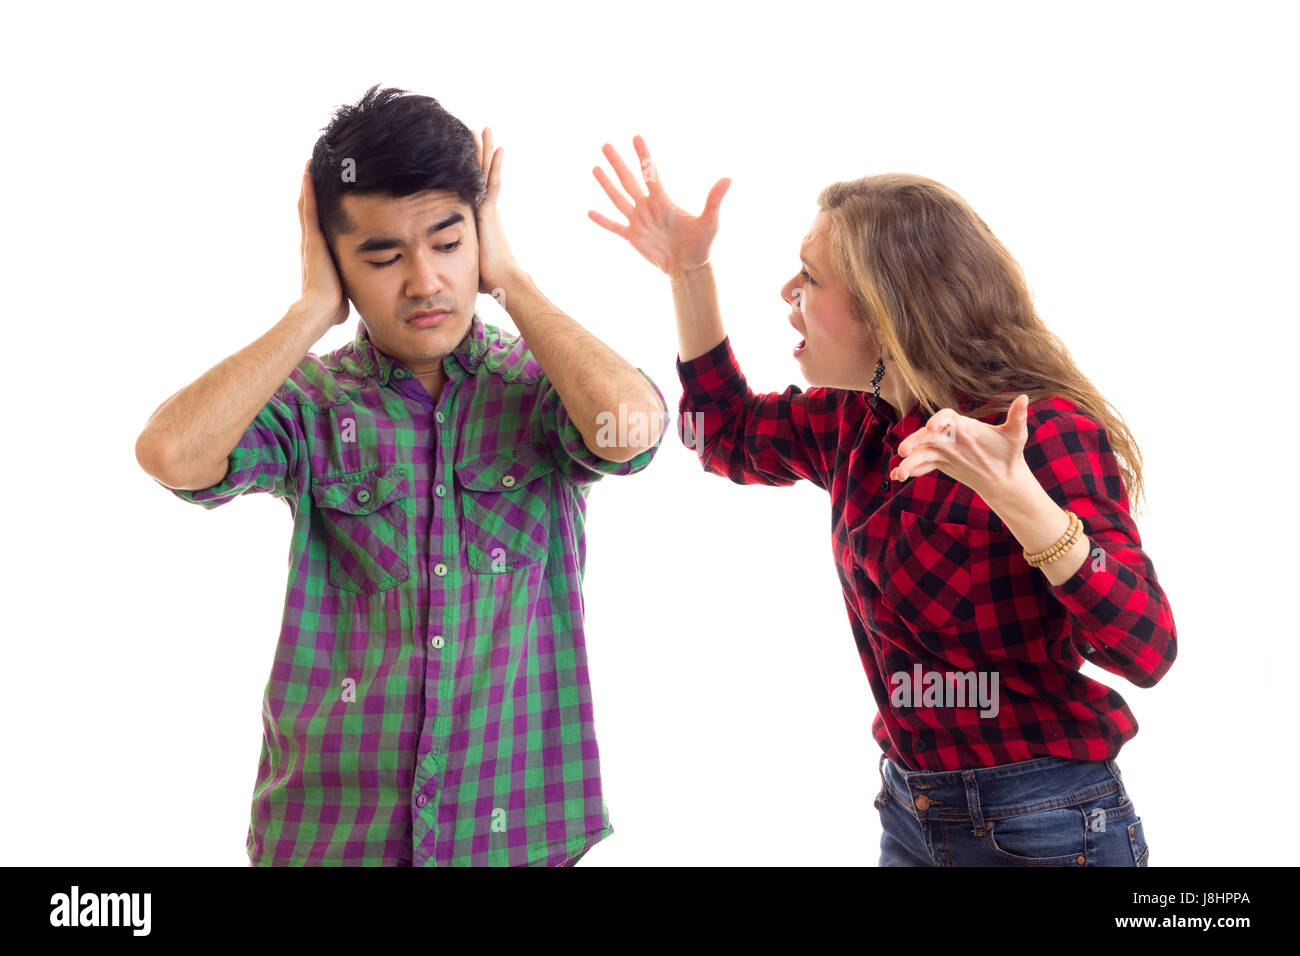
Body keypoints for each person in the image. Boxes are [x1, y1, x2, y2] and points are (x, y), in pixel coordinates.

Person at [589, 136, 1176, 866]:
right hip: (911, 811)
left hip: (1045, 822)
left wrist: (1022, 499)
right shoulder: (854, 423)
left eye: (809, 277)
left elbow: (1147, 650)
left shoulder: (1039, 433)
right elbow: (721, 433)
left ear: (884, 311)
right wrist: (690, 271)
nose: (786, 295)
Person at [134, 86, 667, 866]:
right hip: (332, 840)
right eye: (383, 257)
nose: (424, 282)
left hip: (515, 837)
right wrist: (312, 310)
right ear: (337, 258)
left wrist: (512, 279)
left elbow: (633, 428)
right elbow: (174, 455)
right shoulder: (314, 403)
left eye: (449, 243)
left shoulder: (537, 387)